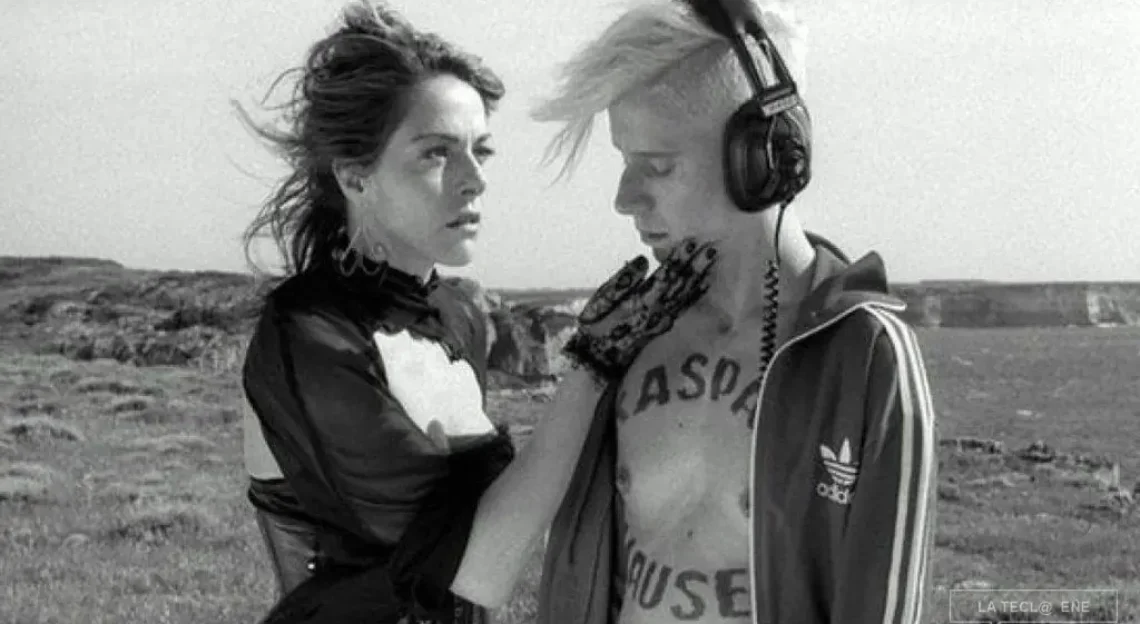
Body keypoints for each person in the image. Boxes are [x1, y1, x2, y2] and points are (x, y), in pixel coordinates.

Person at [456, 1, 939, 623]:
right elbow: (490, 571)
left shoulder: (865, 356)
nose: (624, 198)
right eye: (624, 161)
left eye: (657, 166)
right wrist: (587, 367)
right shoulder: (626, 340)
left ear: (762, 158)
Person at [236, 2, 718, 623]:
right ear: (355, 179)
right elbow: (479, 570)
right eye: (437, 154)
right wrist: (592, 362)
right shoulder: (308, 332)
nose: (474, 180)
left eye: (480, 152)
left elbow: (506, 510)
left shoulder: (458, 312)